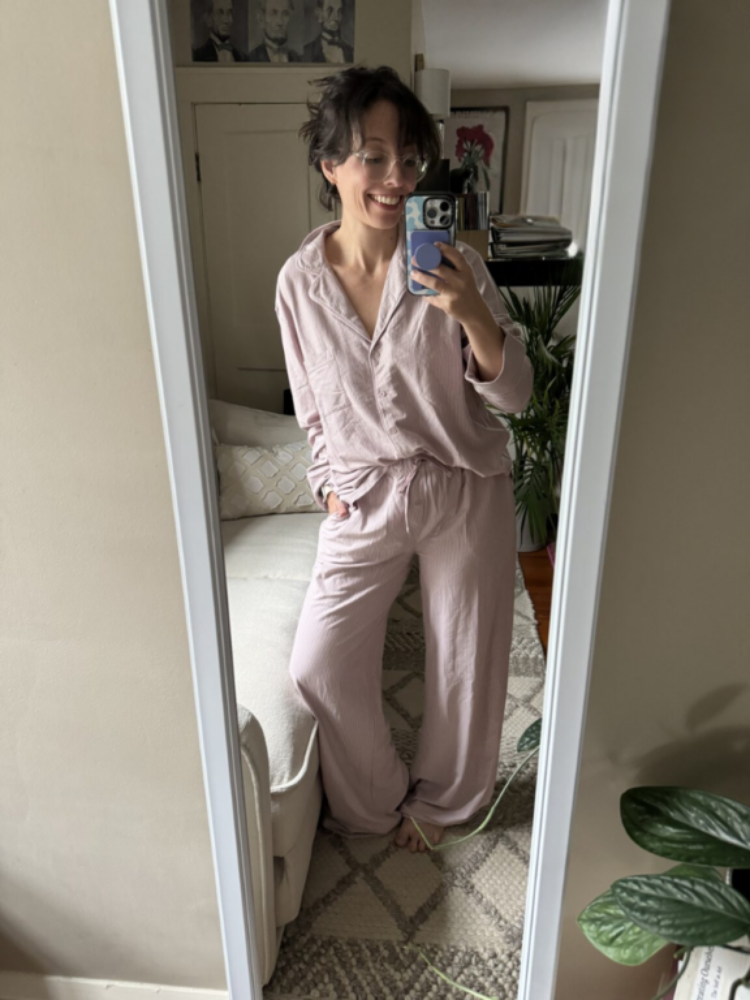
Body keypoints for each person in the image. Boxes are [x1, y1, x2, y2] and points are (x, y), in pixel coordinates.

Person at [275, 66, 533, 854]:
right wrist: (324, 482)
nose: (396, 180)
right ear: (331, 165)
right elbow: (311, 408)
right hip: (364, 495)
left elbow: (516, 396)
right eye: (373, 158)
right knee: (319, 663)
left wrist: (471, 316)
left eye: (410, 161)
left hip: (463, 486)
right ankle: (373, 798)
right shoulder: (298, 285)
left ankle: (447, 805)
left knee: (466, 662)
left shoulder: (454, 265)